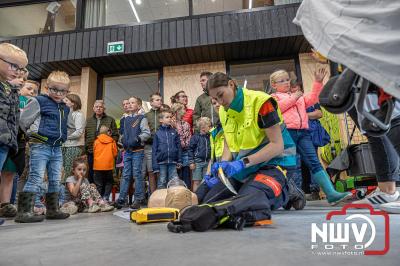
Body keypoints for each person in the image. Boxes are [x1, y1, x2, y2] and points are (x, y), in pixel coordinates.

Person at [201, 72, 297, 222]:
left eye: (220, 95)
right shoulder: (223, 111)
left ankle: (288, 191)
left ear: (231, 85)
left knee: (247, 202)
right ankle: (260, 187)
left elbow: (277, 146)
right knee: (206, 201)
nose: (219, 102)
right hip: (246, 167)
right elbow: (228, 140)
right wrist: (224, 163)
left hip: (275, 162)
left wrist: (241, 163)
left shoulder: (262, 102)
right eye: (215, 99)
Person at [271, 69, 351, 205]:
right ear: (274, 85)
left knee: (314, 162)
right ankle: (281, 197)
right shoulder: (274, 97)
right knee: (288, 165)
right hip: (287, 133)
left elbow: (312, 99)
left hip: (303, 133)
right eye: (282, 81)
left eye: (287, 79)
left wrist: (318, 82)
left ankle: (331, 194)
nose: (286, 82)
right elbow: (278, 108)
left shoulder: (297, 96)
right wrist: (295, 97)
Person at [16, 70, 72, 223]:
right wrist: (33, 132)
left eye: (63, 91)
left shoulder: (65, 107)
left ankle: (53, 210)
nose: (58, 93)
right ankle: (24, 212)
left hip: (57, 147)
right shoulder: (39, 101)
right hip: (40, 145)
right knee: (36, 177)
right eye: (54, 89)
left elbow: (69, 125)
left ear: (67, 91)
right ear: (47, 88)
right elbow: (23, 121)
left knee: (55, 179)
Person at [0, 68, 28, 218]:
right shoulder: (4, 90)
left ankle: (5, 205)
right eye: (18, 76)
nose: (21, 80)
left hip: (14, 140)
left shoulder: (17, 96)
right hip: (2, 136)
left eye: (23, 78)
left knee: (10, 173)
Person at [115, 96, 150, 209]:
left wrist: (138, 139)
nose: (129, 104)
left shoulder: (142, 118)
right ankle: (121, 199)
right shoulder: (124, 120)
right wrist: (122, 140)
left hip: (138, 151)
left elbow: (146, 133)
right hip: (127, 151)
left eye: (132, 103)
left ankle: (138, 198)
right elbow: (123, 134)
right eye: (128, 103)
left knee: (137, 174)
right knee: (125, 175)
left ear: (139, 106)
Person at [195, 99, 225, 202]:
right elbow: (213, 157)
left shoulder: (230, 125)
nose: (217, 105)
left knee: (208, 201)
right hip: (215, 170)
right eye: (214, 103)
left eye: (218, 101)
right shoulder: (214, 131)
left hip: (227, 171)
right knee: (196, 197)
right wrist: (207, 175)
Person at [85, 100, 119, 183]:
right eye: (96, 107)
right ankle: (93, 192)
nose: (98, 108)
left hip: (105, 152)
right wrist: (85, 150)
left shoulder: (110, 120)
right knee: (91, 172)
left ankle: (103, 194)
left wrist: (109, 145)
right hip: (91, 151)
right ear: (93, 108)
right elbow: (85, 136)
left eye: (101, 107)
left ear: (104, 109)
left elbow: (115, 135)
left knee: (105, 173)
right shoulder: (88, 121)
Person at [152, 110, 182, 189]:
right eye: (167, 117)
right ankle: (162, 200)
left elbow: (178, 147)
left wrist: (179, 160)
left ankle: (174, 199)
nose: (170, 119)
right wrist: (155, 166)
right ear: (161, 120)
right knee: (162, 181)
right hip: (161, 162)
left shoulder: (174, 132)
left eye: (170, 117)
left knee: (174, 181)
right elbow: (154, 150)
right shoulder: (157, 133)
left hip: (173, 162)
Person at [62, 94, 85, 184]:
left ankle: (69, 193)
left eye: (66, 100)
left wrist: (64, 136)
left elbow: (79, 132)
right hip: (64, 145)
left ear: (73, 103)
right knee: (63, 170)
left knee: (69, 170)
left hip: (73, 146)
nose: (64, 101)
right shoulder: (66, 113)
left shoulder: (78, 115)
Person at [144, 92, 162, 193]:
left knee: (160, 171)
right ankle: (153, 195)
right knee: (151, 172)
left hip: (161, 146)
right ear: (151, 102)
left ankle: (160, 194)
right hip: (149, 146)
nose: (160, 102)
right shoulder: (145, 116)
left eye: (160, 100)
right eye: (157, 100)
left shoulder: (164, 114)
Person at [171, 103, 192, 189]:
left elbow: (188, 138)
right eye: (182, 109)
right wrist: (176, 127)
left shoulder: (186, 124)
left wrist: (185, 144)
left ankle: (186, 192)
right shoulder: (171, 124)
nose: (184, 111)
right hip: (175, 153)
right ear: (177, 111)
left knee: (186, 173)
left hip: (185, 151)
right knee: (177, 174)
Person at [93, 125, 118, 200]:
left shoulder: (96, 141)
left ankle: (98, 199)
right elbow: (115, 153)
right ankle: (106, 197)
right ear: (108, 132)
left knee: (99, 184)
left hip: (97, 166)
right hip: (108, 166)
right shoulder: (112, 141)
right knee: (109, 182)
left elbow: (94, 152)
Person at [188, 117, 211, 192]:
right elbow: (190, 149)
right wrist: (191, 162)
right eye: (209, 126)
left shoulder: (210, 137)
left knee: (205, 181)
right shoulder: (195, 137)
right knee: (197, 181)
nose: (210, 128)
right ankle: (196, 198)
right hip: (197, 162)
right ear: (203, 127)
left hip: (207, 162)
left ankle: (203, 197)